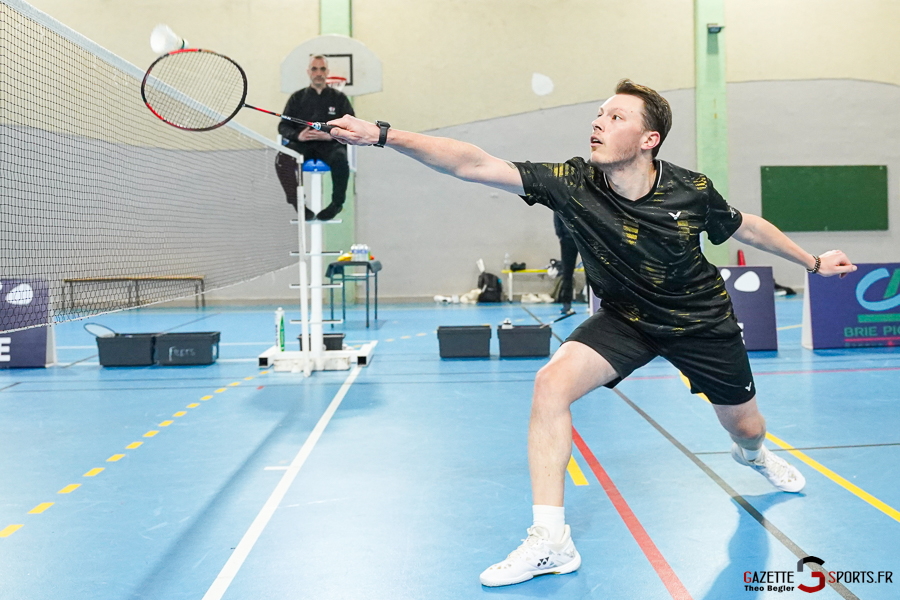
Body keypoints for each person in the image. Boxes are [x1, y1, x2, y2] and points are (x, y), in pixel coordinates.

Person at [326, 80, 857, 587]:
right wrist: (382, 134)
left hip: (700, 321)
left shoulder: (691, 190)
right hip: (625, 317)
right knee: (551, 384)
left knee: (746, 427)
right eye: (599, 113)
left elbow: (745, 225)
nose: (598, 122)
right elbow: (474, 163)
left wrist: (811, 261)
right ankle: (551, 540)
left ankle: (754, 455)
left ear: (649, 140)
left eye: (616, 116)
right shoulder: (572, 182)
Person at [274, 54, 354, 221]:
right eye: (315, 69)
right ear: (308, 72)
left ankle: (336, 204)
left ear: (327, 72)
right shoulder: (297, 98)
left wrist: (331, 134)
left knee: (341, 159)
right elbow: (283, 126)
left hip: (330, 145)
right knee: (282, 159)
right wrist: (298, 135)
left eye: (322, 69)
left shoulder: (339, 99)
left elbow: (351, 125)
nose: (319, 73)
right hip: (302, 145)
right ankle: (297, 203)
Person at [553, 213, 579, 314]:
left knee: (590, 272)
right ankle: (566, 304)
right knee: (567, 273)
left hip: (583, 238)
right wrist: (561, 235)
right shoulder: (561, 198)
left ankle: (592, 305)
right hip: (567, 239)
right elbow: (557, 217)